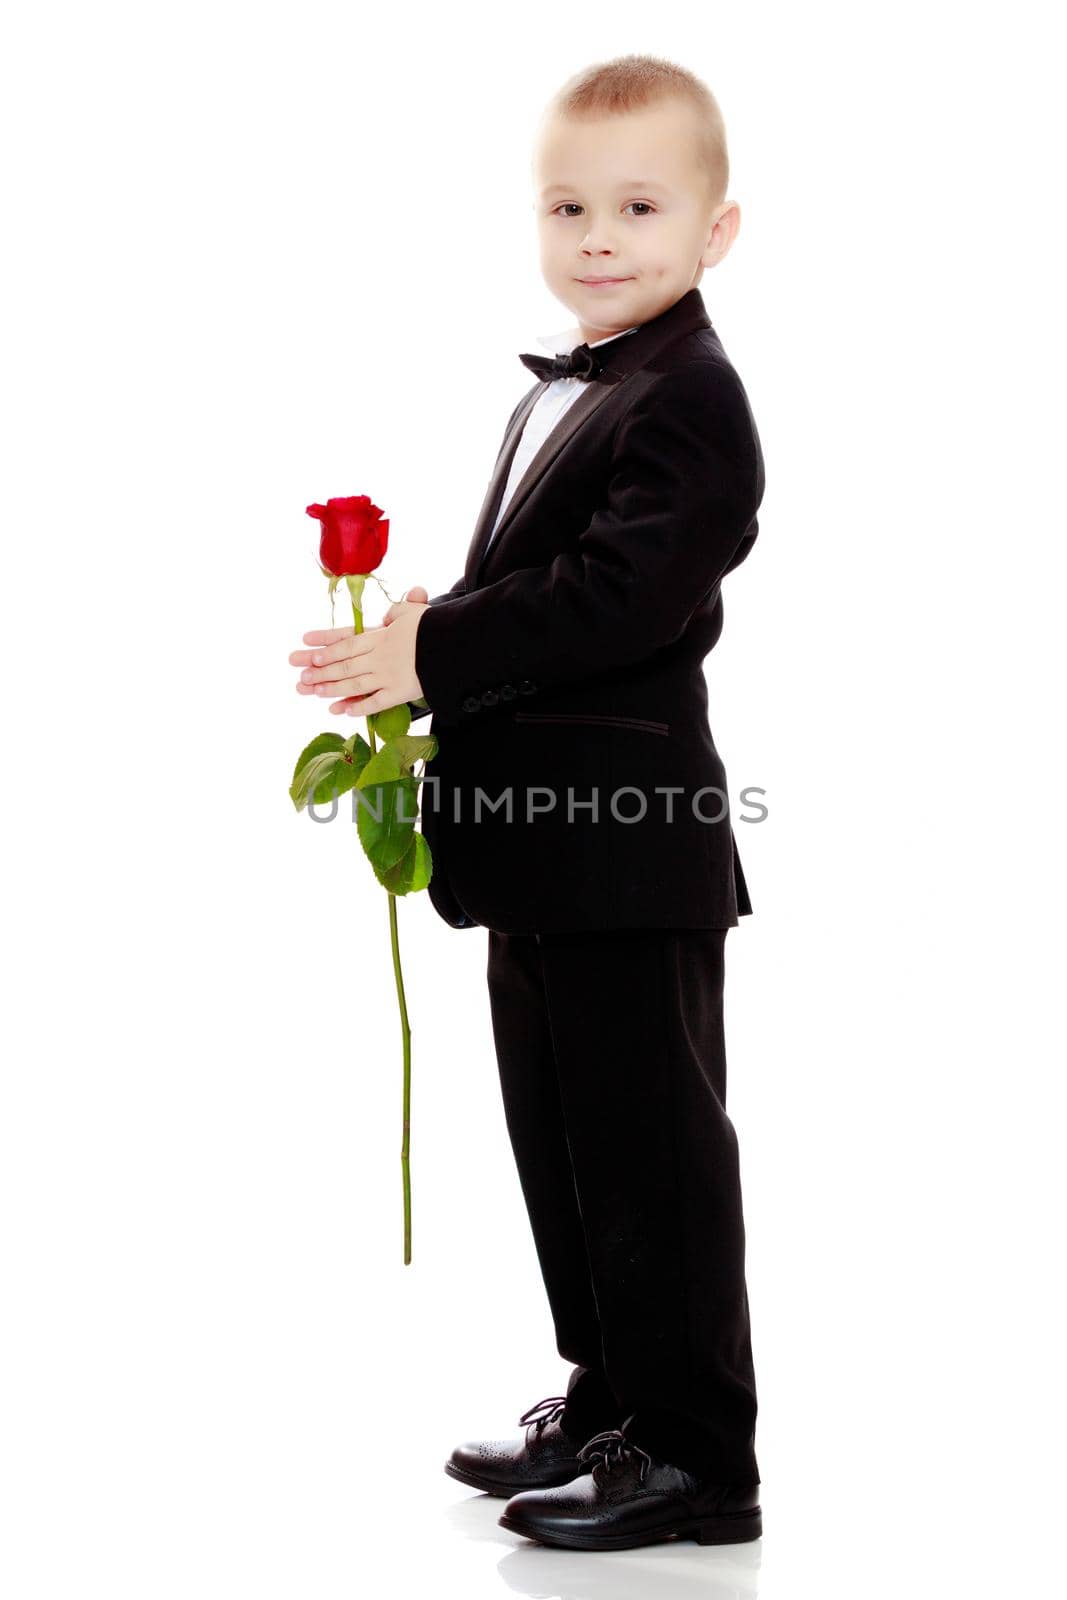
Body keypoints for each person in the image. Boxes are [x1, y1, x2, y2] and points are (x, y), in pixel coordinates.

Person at [290, 53, 766, 1551]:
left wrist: (429, 647)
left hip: (628, 852)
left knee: (654, 1154)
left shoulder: (694, 397)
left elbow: (620, 598)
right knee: (565, 1143)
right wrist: (438, 622)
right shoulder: (584, 383)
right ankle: (615, 1399)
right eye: (570, 205)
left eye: (639, 205)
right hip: (538, 851)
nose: (599, 236)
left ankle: (699, 1457)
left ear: (717, 230)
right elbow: (544, 593)